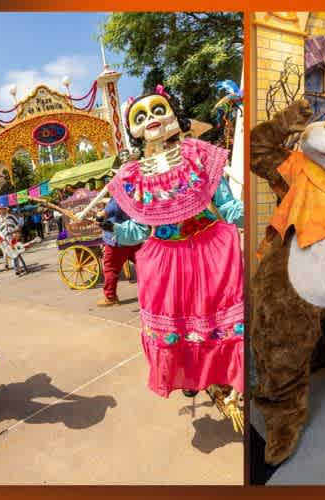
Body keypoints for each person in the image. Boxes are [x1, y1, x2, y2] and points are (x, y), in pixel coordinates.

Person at [106, 86, 245, 423]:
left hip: (211, 253)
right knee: (179, 329)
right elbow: (139, 229)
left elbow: (227, 206)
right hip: (166, 263)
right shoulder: (135, 176)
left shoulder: (199, 155)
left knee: (221, 324)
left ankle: (222, 377)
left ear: (174, 114)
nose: (151, 119)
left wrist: (256, 213)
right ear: (134, 131)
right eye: (141, 116)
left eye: (158, 109)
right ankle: (189, 375)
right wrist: (111, 230)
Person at [95, 198, 140, 306]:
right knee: (143, 266)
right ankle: (152, 292)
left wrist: (98, 216)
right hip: (134, 237)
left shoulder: (117, 199)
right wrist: (105, 200)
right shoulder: (134, 195)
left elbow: (104, 214)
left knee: (111, 269)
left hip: (117, 241)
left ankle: (110, 297)